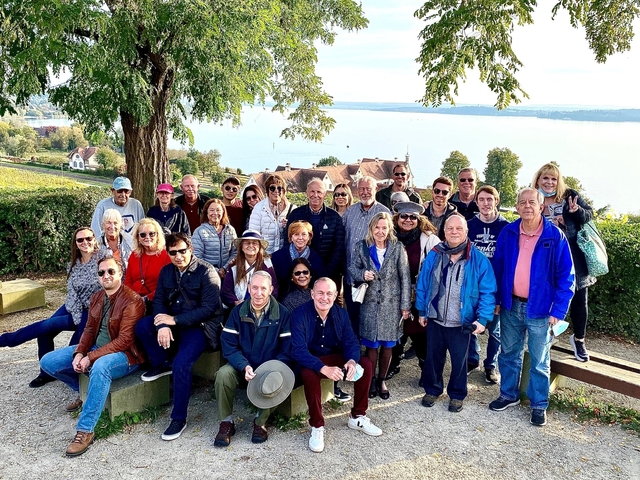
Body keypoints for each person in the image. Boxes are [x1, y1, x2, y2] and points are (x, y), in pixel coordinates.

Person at [40, 254, 145, 457]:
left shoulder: (133, 301)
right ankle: (83, 393)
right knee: (48, 361)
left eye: (111, 271)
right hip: (97, 348)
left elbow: (124, 341)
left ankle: (85, 430)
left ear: (120, 273)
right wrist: (80, 353)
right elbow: (88, 330)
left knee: (100, 367)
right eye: (101, 272)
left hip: (125, 356)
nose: (106, 275)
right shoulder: (97, 297)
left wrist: (90, 357)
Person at [489, 187, 575, 427]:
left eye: (532, 202)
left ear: (541, 207)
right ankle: (508, 394)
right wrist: (496, 299)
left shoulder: (554, 236)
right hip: (511, 305)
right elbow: (498, 268)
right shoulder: (508, 232)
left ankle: (538, 404)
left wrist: (558, 310)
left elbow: (566, 276)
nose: (527, 206)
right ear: (516, 207)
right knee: (508, 354)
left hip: (541, 309)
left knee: (538, 358)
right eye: (522, 202)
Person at [135, 232, 221, 441]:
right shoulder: (167, 272)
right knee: (143, 326)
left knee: (181, 364)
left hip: (200, 327)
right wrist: (163, 323)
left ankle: (179, 418)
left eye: (182, 251)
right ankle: (161, 362)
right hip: (173, 322)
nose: (178, 256)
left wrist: (174, 321)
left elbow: (209, 309)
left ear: (190, 250)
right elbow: (159, 302)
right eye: (173, 253)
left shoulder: (206, 272)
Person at [0, 227, 101, 388]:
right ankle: (45, 373)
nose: (85, 242)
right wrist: (74, 314)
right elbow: (72, 292)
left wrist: (79, 318)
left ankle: (7, 341)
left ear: (94, 239)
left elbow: (104, 291)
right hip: (73, 306)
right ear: (75, 243)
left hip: (91, 311)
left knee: (69, 341)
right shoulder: (73, 264)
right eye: (80, 240)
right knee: (45, 330)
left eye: (88, 238)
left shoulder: (102, 260)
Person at [291, 278, 382, 453]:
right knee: (309, 374)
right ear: (312, 294)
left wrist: (351, 361)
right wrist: (322, 368)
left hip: (334, 357)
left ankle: (358, 416)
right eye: (320, 293)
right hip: (311, 360)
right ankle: (317, 426)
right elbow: (298, 350)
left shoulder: (341, 313)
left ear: (335, 295)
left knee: (365, 364)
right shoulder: (299, 315)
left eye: (329, 293)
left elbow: (351, 341)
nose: (324, 297)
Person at [416, 215, 496, 413]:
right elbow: (423, 284)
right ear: (444, 232)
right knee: (433, 358)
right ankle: (433, 390)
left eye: (458, 229)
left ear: (466, 232)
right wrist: (422, 311)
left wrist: (482, 319)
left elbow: (488, 292)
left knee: (460, 362)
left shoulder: (478, 259)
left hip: (462, 322)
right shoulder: (435, 254)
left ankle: (457, 395)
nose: (454, 232)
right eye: (450, 228)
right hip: (435, 318)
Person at [213, 271, 292, 447]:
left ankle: (260, 422)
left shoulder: (282, 313)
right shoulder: (237, 312)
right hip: (242, 365)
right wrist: (243, 366)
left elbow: (286, 350)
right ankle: (226, 422)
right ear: (248, 288)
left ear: (271, 289)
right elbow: (228, 344)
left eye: (263, 288)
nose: (258, 293)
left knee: (280, 378)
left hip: (269, 367)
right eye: (254, 287)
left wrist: (271, 369)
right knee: (223, 375)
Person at [532, 163, 595, 362]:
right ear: (538, 180)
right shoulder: (534, 199)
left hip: (573, 256)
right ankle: (549, 334)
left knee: (579, 299)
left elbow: (589, 215)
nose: (549, 182)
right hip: (545, 258)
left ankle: (579, 339)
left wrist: (574, 213)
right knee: (548, 297)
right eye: (545, 178)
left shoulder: (570, 196)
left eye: (553, 179)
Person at [349, 212, 411, 400]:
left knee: (388, 345)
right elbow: (352, 269)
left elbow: (405, 277)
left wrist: (405, 305)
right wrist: (362, 274)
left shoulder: (398, 248)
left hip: (391, 306)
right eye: (377, 227)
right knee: (371, 346)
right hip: (369, 304)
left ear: (390, 229)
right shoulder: (362, 247)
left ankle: (382, 380)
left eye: (384, 227)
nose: (380, 231)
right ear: (371, 228)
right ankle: (370, 379)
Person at [387, 201, 440, 380]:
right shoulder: (389, 236)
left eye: (413, 217)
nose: (408, 220)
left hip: (419, 292)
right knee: (396, 329)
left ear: (419, 219)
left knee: (420, 331)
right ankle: (393, 363)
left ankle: (426, 368)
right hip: (394, 291)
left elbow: (440, 263)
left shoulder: (429, 239)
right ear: (397, 218)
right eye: (404, 216)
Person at [466, 185, 510, 383]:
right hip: (473, 287)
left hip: (496, 288)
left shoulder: (506, 228)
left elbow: (509, 262)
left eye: (489, 199)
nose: (485, 203)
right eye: (481, 199)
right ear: (477, 202)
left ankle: (490, 365)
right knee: (471, 324)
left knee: (495, 330)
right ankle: (472, 359)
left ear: (496, 201)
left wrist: (501, 294)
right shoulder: (468, 226)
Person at [342, 176, 390, 335]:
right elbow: (343, 240)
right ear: (357, 191)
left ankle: (368, 351)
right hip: (351, 276)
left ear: (375, 189)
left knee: (370, 317)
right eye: (361, 189)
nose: (364, 192)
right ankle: (355, 350)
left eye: (368, 189)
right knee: (353, 315)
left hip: (373, 280)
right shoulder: (350, 212)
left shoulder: (384, 213)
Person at [285, 178, 345, 289]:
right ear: (307, 193)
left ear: (325, 194)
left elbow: (339, 247)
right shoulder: (296, 214)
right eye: (312, 191)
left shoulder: (334, 217)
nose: (315, 195)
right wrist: (298, 271)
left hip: (328, 273)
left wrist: (326, 272)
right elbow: (287, 241)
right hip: (301, 275)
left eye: (319, 192)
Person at [220, 230, 279, 309]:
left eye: (254, 243)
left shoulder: (267, 265)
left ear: (259, 247)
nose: (251, 245)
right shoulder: (234, 266)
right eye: (247, 243)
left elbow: (274, 289)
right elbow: (226, 291)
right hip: (239, 308)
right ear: (241, 247)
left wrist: (262, 303)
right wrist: (235, 302)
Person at [272, 220, 326, 301]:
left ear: (309, 237)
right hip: (283, 300)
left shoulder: (316, 258)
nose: (300, 238)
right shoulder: (277, 257)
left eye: (304, 234)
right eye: (296, 234)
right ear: (291, 237)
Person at [124, 218, 171, 309]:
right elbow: (128, 281)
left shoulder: (166, 255)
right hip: (133, 301)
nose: (147, 237)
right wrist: (134, 298)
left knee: (143, 323)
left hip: (156, 302)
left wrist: (146, 298)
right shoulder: (134, 255)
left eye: (152, 233)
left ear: (157, 235)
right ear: (138, 238)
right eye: (143, 234)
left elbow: (167, 285)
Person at [192, 198, 238, 280]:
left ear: (223, 212)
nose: (215, 213)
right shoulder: (199, 231)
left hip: (227, 274)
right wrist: (215, 271)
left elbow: (235, 252)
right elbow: (197, 256)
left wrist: (224, 268)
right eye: (211, 210)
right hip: (207, 274)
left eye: (218, 210)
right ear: (206, 212)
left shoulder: (230, 230)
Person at [249, 174, 295, 254]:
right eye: (272, 188)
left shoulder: (292, 209)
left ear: (284, 191)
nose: (276, 191)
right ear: (267, 190)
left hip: (284, 255)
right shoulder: (259, 208)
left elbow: (298, 234)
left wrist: (290, 226)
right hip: (264, 255)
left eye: (279, 188)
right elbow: (254, 235)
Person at [97, 209, 134, 273]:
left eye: (115, 223)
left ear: (120, 225)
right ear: (103, 225)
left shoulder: (130, 241)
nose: (112, 226)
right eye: (108, 223)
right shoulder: (97, 244)